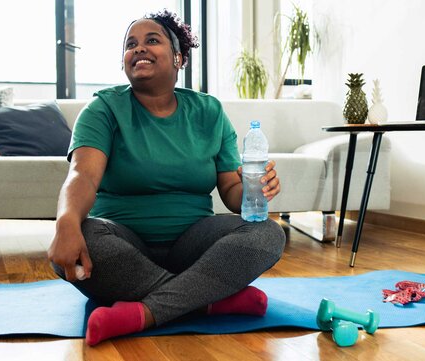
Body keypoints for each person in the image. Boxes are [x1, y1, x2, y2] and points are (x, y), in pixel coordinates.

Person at [47, 9, 286, 346]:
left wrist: (254, 189)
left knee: (267, 233)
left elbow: (231, 190)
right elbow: (82, 176)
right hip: (122, 243)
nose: (139, 48)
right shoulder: (104, 109)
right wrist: (66, 223)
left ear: (178, 58)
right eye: (131, 44)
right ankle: (210, 300)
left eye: (152, 40)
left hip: (194, 245)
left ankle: (143, 312)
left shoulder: (209, 112)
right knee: (81, 236)